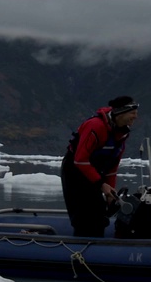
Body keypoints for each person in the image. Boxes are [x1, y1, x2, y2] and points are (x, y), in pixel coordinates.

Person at [60, 96, 139, 237]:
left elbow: (112, 168)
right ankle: (81, 250)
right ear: (121, 113)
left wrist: (110, 193)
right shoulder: (96, 126)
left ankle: (97, 243)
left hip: (95, 172)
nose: (136, 117)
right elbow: (80, 160)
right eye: (133, 113)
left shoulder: (121, 134)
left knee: (99, 215)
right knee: (83, 216)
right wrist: (102, 185)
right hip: (75, 171)